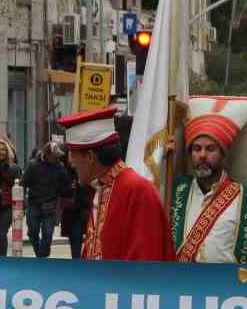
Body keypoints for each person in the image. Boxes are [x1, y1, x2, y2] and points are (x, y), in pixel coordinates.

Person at [58, 107, 173, 261]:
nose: (70, 162)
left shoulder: (138, 191)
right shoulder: (99, 188)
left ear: (90, 157)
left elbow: (146, 264)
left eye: (73, 155)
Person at [171, 98, 247, 264]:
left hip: (227, 289)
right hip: (180, 287)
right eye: (197, 149)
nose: (202, 155)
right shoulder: (175, 192)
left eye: (210, 149)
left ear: (223, 154)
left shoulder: (245, 200)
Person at [21, 143, 73, 259]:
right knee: (33, 231)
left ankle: (42, 257)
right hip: (34, 204)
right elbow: (23, 184)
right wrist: (22, 204)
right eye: (55, 156)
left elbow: (66, 184)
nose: (57, 158)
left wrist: (68, 189)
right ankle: (40, 254)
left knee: (48, 234)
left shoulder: (59, 166)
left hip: (50, 205)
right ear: (46, 154)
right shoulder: (33, 165)